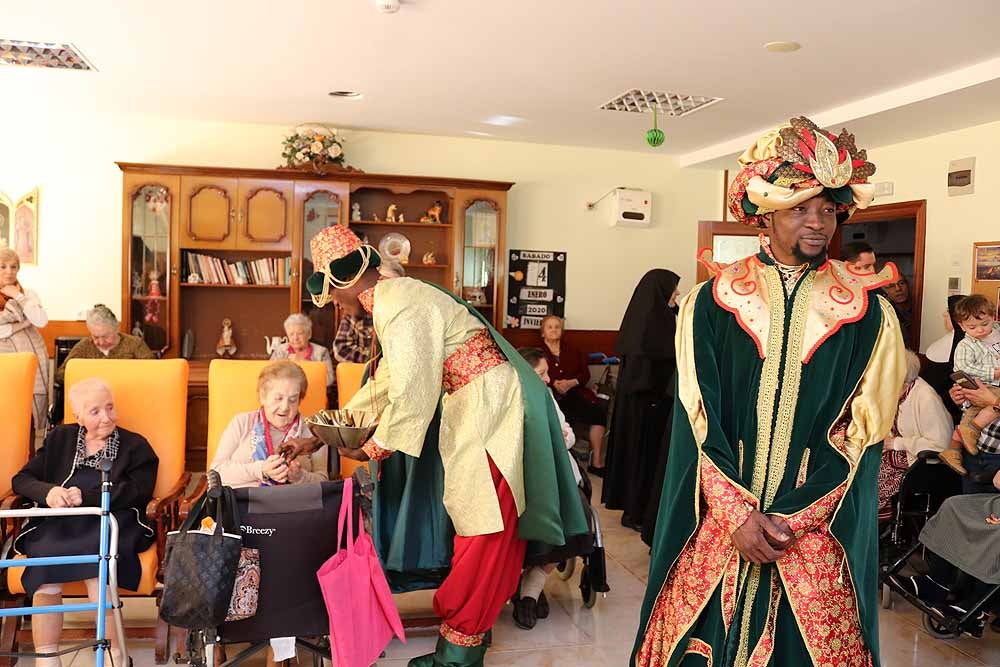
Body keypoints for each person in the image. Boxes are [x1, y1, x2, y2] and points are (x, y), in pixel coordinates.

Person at [634, 116, 905, 667]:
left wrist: (793, 520)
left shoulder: (869, 313)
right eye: (800, 208)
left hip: (812, 524)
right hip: (722, 517)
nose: (817, 222)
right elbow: (698, 417)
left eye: (828, 209)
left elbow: (863, 433)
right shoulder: (711, 303)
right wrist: (737, 516)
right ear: (766, 215)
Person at [292, 225, 586, 666]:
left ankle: (456, 658)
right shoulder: (396, 299)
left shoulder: (397, 303)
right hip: (478, 408)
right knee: (481, 526)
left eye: (332, 292)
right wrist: (320, 431)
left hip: (490, 413)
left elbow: (411, 390)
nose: (333, 303)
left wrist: (373, 450)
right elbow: (389, 380)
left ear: (346, 279)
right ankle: (464, 646)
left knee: (484, 531)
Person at [12, 378, 158, 667]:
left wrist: (90, 497)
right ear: (77, 416)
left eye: (110, 408)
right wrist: (49, 492)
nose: (106, 417)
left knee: (98, 570)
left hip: (110, 518)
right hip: (60, 522)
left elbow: (139, 491)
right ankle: (48, 659)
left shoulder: (135, 445)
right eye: (95, 412)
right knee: (45, 575)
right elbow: (21, 480)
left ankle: (116, 657)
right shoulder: (60, 439)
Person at [601, 269, 680, 536]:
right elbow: (643, 375)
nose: (677, 296)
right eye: (674, 292)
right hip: (646, 408)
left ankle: (638, 509)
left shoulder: (658, 319)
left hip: (649, 406)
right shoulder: (651, 324)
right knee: (641, 460)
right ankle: (635, 511)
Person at [210, 360, 329, 488]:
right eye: (278, 398)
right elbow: (216, 471)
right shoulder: (241, 422)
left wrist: (301, 477)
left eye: (293, 400)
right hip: (243, 503)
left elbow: (323, 481)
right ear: (263, 397)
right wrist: (260, 470)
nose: (285, 407)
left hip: (293, 504)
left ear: (300, 400)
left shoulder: (313, 432)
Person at [877, 350, 953, 517]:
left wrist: (896, 443)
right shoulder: (898, 393)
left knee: (870, 478)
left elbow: (941, 444)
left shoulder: (926, 398)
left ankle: (872, 525)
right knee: (856, 466)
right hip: (899, 455)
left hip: (924, 465)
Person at [540, 314, 608, 476]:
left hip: (575, 394)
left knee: (598, 413)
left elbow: (585, 374)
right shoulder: (537, 352)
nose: (554, 330)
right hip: (550, 397)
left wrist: (571, 382)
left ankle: (596, 462)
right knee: (558, 418)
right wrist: (553, 383)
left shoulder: (572, 350)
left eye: (557, 327)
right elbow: (533, 374)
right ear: (543, 332)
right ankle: (561, 466)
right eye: (550, 327)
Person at [0, 246, 49, 432]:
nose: (9, 272)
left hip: (28, 359)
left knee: (27, 417)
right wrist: (22, 325)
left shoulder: (28, 294)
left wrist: (17, 296)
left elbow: (40, 320)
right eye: (2, 266)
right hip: (4, 365)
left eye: (13, 267)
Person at [55, 304, 155, 384]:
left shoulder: (135, 344)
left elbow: (154, 372)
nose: (101, 342)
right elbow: (60, 375)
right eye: (95, 337)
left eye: (106, 336)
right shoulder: (84, 346)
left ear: (116, 328)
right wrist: (86, 375)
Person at [921, 294, 967, 424]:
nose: (943, 315)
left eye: (947, 311)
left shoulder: (965, 347)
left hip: (949, 414)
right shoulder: (948, 343)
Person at [269, 313, 334, 388]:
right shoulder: (280, 351)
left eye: (300, 333)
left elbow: (329, 380)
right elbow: (269, 376)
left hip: (313, 393)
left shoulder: (321, 352)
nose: (295, 338)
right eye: (291, 334)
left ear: (309, 334)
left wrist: (305, 364)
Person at [884, 273, 914, 345]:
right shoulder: (885, 314)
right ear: (885, 291)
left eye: (901, 283)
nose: (898, 289)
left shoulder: (919, 307)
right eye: (891, 286)